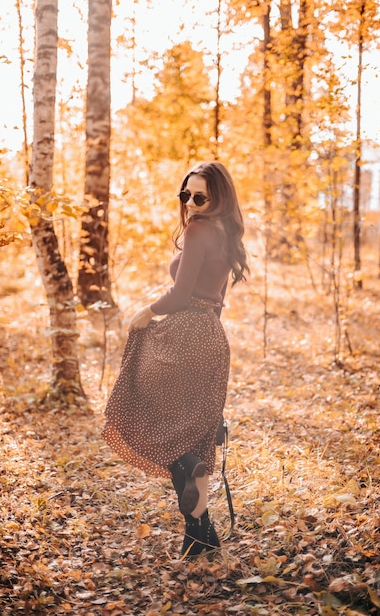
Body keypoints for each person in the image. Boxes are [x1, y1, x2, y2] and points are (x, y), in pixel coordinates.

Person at [102, 161, 249, 558]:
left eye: (200, 196)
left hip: (184, 333)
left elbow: (181, 294)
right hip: (213, 340)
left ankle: (185, 465)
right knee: (197, 431)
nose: (192, 203)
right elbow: (214, 299)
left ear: (217, 197)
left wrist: (148, 312)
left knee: (152, 415)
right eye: (186, 195)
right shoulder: (227, 232)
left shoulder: (198, 229)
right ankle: (201, 536)